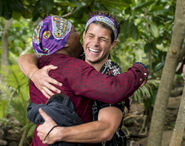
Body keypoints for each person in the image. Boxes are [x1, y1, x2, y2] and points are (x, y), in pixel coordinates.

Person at [18, 12, 148, 146]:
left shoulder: (111, 73)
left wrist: (59, 133)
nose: (95, 43)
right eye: (90, 36)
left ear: (113, 44)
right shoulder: (68, 65)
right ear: (83, 37)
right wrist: (33, 73)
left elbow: (107, 129)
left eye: (103, 39)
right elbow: (26, 57)